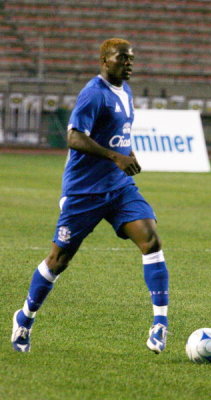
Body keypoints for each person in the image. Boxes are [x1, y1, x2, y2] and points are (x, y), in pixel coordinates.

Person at [11, 38, 169, 354]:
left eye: (132, 57)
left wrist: (127, 152)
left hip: (119, 188)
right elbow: (74, 137)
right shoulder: (92, 94)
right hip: (84, 192)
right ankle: (25, 317)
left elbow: (118, 132)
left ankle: (160, 324)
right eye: (122, 57)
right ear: (103, 60)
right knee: (59, 260)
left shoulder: (126, 91)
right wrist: (115, 157)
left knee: (151, 241)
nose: (129, 62)